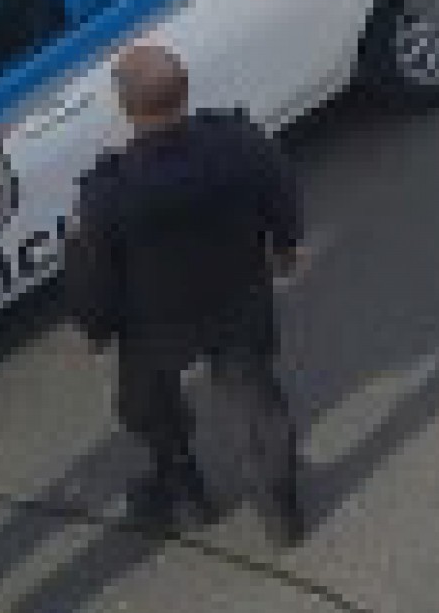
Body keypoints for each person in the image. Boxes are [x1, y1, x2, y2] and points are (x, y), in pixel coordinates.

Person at [66, 42, 305, 545]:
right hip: (237, 297)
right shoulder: (239, 144)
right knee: (256, 401)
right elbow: (280, 191)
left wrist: (94, 326)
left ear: (125, 107)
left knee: (151, 407)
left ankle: (185, 495)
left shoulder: (108, 190)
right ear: (187, 91)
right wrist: (284, 245)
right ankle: (280, 507)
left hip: (155, 324)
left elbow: (94, 270)